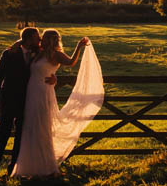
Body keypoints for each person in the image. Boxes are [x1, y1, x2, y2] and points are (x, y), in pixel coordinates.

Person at [11, 29, 104, 178]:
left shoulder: (56, 54)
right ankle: (29, 167)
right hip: (31, 92)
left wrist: (78, 47)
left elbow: (70, 62)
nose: (41, 39)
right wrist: (17, 42)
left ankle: (47, 167)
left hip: (43, 92)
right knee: (30, 127)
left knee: (42, 127)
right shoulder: (39, 52)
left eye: (45, 37)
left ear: (51, 39)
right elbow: (24, 44)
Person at [0, 27, 50, 183]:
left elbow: (48, 64)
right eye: (37, 37)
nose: (39, 40)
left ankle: (13, 169)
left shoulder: (38, 53)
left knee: (21, 137)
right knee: (3, 134)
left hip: (28, 100)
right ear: (28, 39)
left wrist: (54, 77)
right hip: (9, 100)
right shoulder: (9, 53)